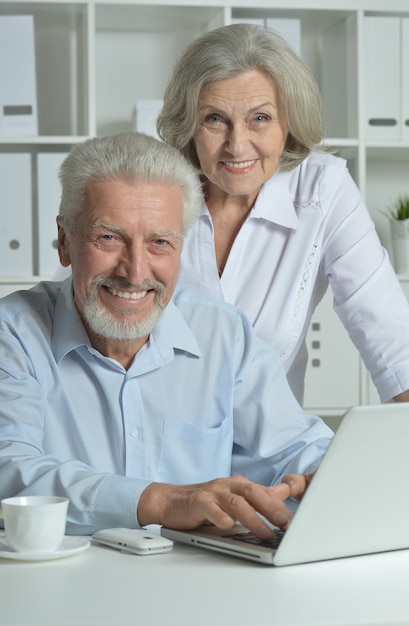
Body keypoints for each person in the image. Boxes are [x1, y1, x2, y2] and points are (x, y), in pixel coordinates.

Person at [0, 131, 333, 537]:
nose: (135, 272)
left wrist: (324, 476)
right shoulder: (12, 334)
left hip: (197, 588)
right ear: (65, 241)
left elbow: (295, 447)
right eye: (108, 237)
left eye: (160, 242)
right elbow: (10, 471)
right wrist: (161, 502)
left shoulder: (223, 335)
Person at [156, 23, 409, 405]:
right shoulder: (148, 187)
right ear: (189, 123)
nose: (237, 145)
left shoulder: (322, 188)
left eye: (260, 118)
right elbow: (68, 311)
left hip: (271, 454)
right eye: (214, 119)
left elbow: (393, 343)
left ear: (288, 121)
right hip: (149, 450)